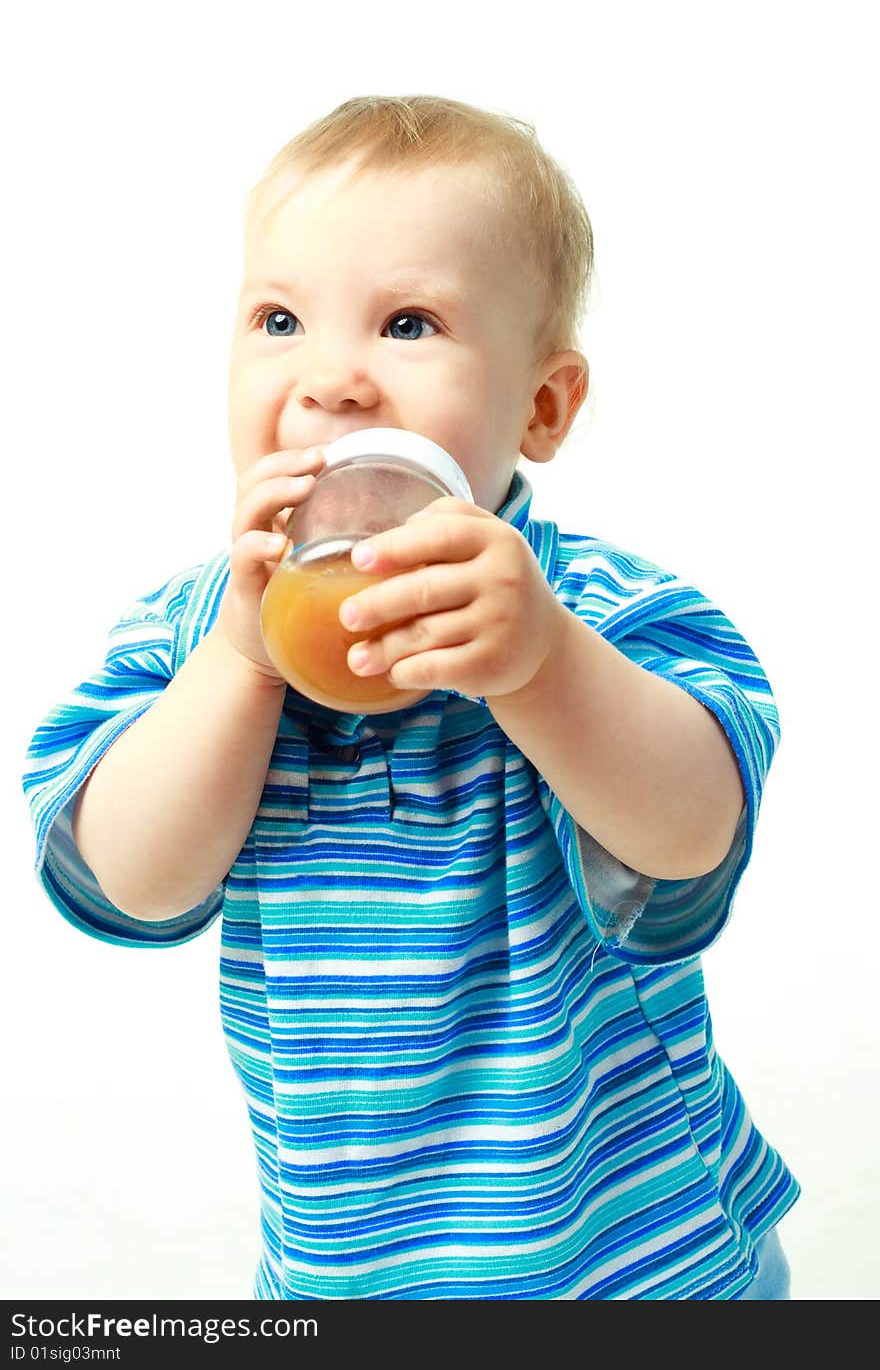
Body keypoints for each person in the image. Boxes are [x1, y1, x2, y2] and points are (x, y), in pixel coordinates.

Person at [22, 94, 799, 1300]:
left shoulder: (598, 614)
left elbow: (691, 830)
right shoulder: (192, 634)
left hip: (641, 1258)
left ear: (539, 406)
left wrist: (540, 665)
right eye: (278, 318)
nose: (331, 378)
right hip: (348, 1273)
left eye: (408, 323)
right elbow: (127, 876)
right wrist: (241, 664)